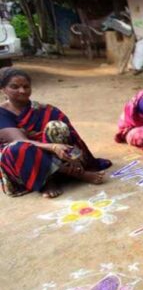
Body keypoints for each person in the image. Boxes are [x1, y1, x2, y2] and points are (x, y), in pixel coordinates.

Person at [0, 68, 111, 198]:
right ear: (3, 89)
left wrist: (73, 155)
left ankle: (69, 168)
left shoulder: (44, 109)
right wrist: (53, 147)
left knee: (56, 126)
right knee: (20, 148)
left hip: (51, 152)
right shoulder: (1, 113)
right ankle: (53, 179)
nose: (22, 91)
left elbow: (71, 135)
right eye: (14, 87)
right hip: (22, 160)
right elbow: (19, 140)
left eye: (26, 86)